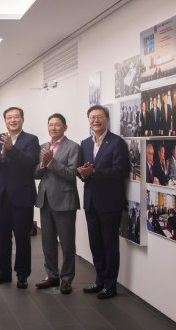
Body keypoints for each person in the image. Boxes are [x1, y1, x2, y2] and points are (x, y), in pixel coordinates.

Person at [77, 105, 129, 299]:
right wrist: (81, 172)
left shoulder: (117, 143)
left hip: (109, 202)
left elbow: (120, 171)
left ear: (107, 119)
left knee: (109, 245)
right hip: (91, 200)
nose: (95, 120)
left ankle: (110, 285)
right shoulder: (85, 143)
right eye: (92, 117)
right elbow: (82, 170)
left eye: (99, 117)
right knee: (95, 244)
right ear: (88, 120)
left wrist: (95, 172)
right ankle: (99, 281)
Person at [0, 107, 40, 289]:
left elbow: (29, 162)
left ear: (22, 119)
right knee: (2, 237)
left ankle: (22, 274)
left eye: (16, 117)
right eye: (9, 117)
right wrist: (2, 152)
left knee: (22, 236)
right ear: (5, 121)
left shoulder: (31, 139)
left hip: (22, 195)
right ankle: (3, 272)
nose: (12, 120)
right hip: (1, 195)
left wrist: (11, 149)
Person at [33, 113, 80, 294]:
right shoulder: (42, 147)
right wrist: (43, 165)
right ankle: (52, 275)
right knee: (47, 242)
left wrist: (51, 162)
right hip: (45, 200)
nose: (53, 128)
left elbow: (71, 174)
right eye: (50, 125)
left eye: (57, 125)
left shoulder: (73, 147)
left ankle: (67, 278)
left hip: (65, 201)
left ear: (65, 128)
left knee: (67, 243)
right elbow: (35, 174)